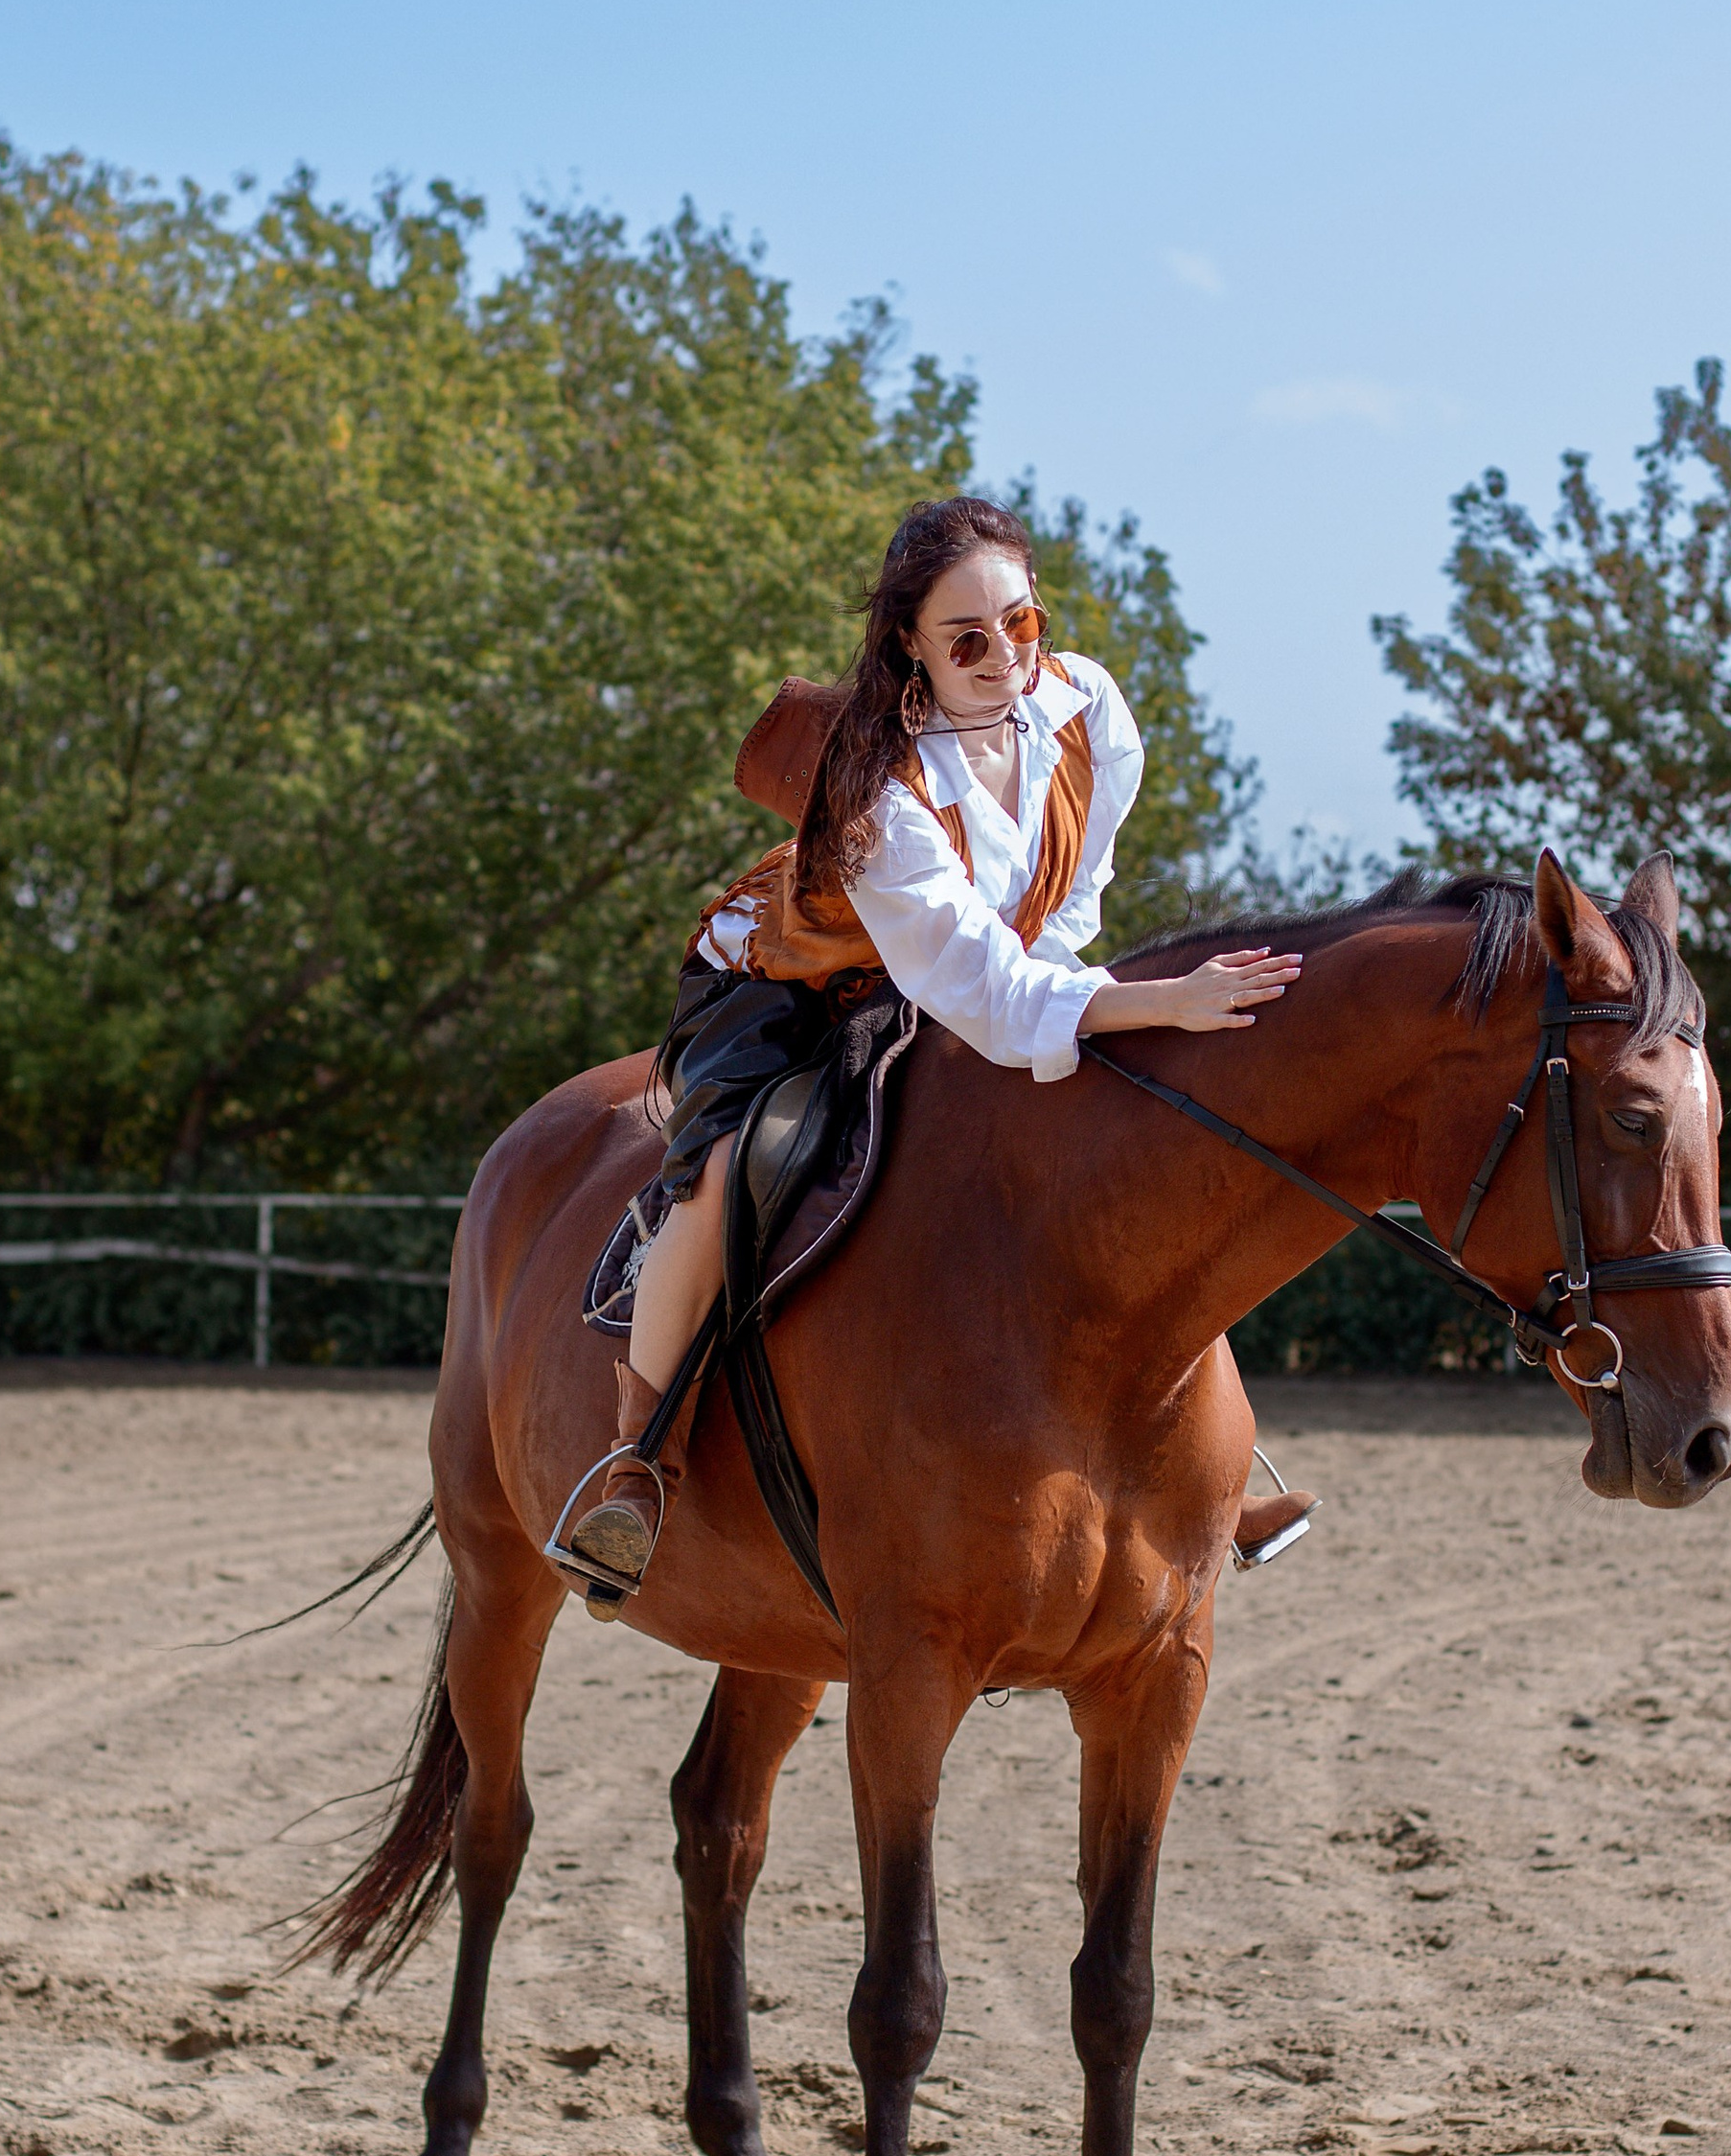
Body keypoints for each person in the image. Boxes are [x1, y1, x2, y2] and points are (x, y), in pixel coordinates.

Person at [558, 492, 1313, 1593]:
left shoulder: (1087, 709)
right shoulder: (877, 787)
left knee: (1116, 1131)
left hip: (971, 972)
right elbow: (976, 981)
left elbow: (1063, 905)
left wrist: (1089, 997)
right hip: (786, 984)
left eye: (1021, 623)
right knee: (731, 1172)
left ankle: (1206, 1463)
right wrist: (1156, 1001)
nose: (1003, 655)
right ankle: (637, 1463)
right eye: (965, 638)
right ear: (906, 646)